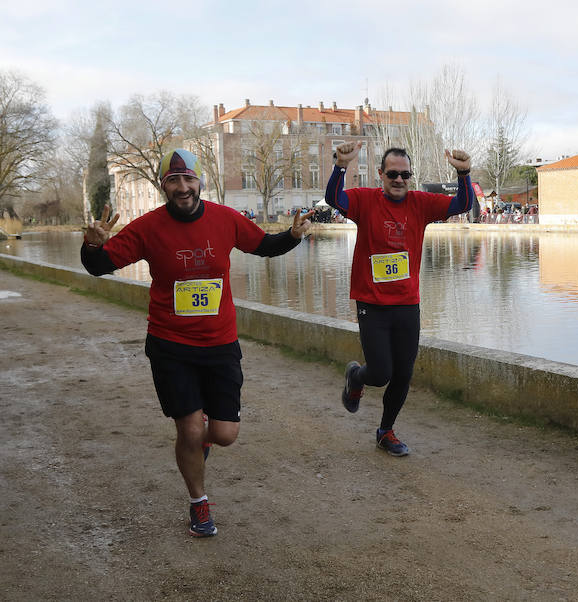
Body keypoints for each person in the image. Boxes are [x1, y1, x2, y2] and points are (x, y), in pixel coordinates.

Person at [81, 149, 313, 537]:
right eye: (173, 180)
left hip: (220, 343)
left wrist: (291, 236)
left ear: (200, 182)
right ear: (163, 185)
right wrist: (92, 246)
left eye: (189, 179)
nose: (182, 187)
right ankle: (199, 503)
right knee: (189, 431)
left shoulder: (225, 218)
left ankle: (198, 444)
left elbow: (264, 247)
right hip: (171, 344)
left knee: (223, 435)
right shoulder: (148, 227)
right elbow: (99, 266)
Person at [325, 142, 476, 456]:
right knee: (380, 373)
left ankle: (385, 431)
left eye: (405, 174)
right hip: (372, 303)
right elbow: (333, 199)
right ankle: (356, 376)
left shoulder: (420, 203)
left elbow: (462, 204)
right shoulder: (365, 200)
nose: (399, 179)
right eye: (392, 173)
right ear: (380, 174)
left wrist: (464, 173)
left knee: (404, 373)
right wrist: (341, 166)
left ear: (411, 176)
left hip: (407, 304)